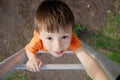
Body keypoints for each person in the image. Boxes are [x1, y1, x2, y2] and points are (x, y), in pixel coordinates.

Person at [25, 0, 109, 80]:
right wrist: (32, 58)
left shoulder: (72, 39)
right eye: (49, 38)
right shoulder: (37, 40)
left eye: (64, 37)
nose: (58, 46)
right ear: (39, 35)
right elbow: (29, 49)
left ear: (71, 32)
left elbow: (87, 60)